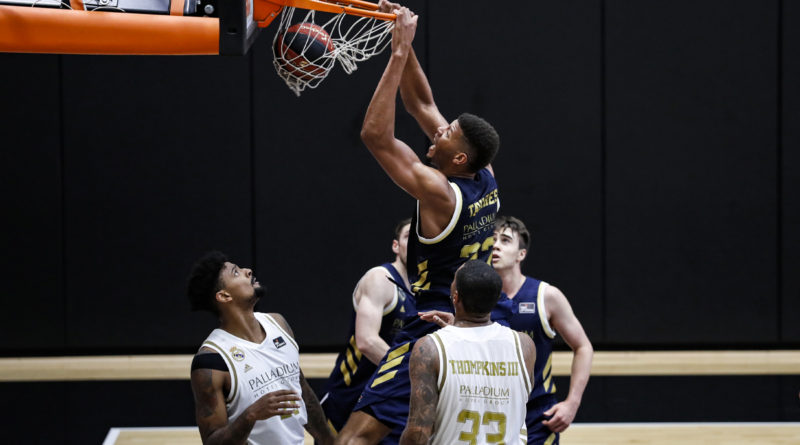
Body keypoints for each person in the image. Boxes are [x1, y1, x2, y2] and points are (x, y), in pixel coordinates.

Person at [336, 2, 502, 443]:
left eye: (445, 135)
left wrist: (395, 58)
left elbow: (375, 136)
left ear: (458, 157)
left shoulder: (439, 194)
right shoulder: (483, 175)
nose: (438, 131)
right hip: (475, 321)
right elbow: (421, 102)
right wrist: (402, 39)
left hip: (431, 322)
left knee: (353, 438)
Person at [187, 251, 334, 445]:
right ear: (224, 296)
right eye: (236, 273)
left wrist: (328, 440)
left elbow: (302, 391)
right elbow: (212, 441)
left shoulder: (278, 323)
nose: (248, 271)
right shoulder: (211, 360)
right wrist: (250, 415)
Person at [400, 260, 536, 445]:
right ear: (496, 300)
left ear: (455, 298)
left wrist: (456, 331)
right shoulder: (524, 346)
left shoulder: (430, 349)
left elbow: (418, 433)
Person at [492, 215, 593, 444]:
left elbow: (583, 346)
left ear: (521, 254)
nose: (495, 245)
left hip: (536, 416)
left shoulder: (546, 296)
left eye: (505, 240)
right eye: (492, 239)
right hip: (489, 413)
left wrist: (572, 403)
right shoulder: (474, 297)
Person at [320, 219, 414, 435]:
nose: (416, 241)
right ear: (395, 246)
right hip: (351, 394)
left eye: (421, 236)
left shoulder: (426, 288)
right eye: (409, 236)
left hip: (388, 396)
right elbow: (367, 341)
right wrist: (412, 374)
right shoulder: (380, 278)